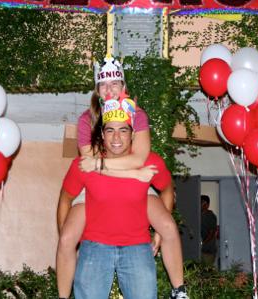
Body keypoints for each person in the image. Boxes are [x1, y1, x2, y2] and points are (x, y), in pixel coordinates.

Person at [55, 55, 187, 299]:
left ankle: (179, 290)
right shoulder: (87, 119)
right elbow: (89, 164)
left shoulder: (137, 114)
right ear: (97, 91)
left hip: (132, 177)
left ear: (124, 87)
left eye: (115, 84)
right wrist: (132, 172)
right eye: (104, 85)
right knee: (67, 238)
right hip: (96, 182)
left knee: (167, 226)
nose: (110, 89)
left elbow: (138, 158)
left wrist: (136, 173)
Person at [200, 195, 217, 266]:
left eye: (201, 202)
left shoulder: (210, 216)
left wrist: (202, 243)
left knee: (206, 271)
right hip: (201, 250)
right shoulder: (198, 215)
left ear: (206, 204)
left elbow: (212, 233)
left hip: (208, 250)